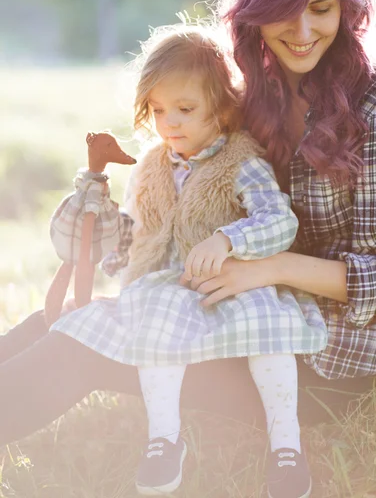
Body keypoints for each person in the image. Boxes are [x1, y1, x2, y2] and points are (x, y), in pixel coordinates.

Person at [0, 0, 376, 496]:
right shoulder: (245, 88)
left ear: (347, 7)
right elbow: (183, 201)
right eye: (285, 11)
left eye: (322, 9)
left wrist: (264, 268)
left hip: (320, 356)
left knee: (79, 350)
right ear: (255, 10)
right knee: (57, 320)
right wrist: (116, 224)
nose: (305, 30)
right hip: (230, 310)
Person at [49, 25, 326, 498]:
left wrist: (227, 239)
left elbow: (280, 221)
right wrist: (104, 221)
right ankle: (164, 440)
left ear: (220, 108)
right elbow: (130, 245)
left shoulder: (242, 161)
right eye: (158, 110)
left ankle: (287, 446)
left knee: (270, 329)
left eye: (184, 109)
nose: (169, 123)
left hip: (234, 282)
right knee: (155, 324)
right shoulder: (151, 168)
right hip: (171, 288)